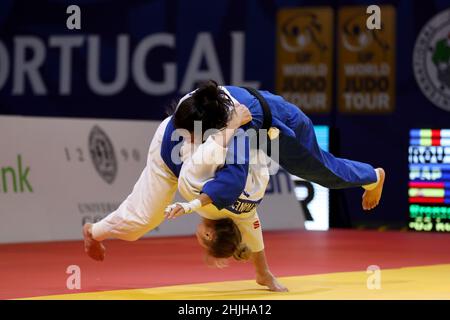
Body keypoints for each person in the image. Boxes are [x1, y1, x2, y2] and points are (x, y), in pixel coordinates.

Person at [164, 118, 287, 292]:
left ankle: (263, 275)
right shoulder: (203, 200)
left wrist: (263, 272)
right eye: (203, 243)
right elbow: (209, 187)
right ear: (209, 235)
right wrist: (188, 206)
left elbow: (255, 238)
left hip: (259, 135)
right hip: (233, 128)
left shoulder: (246, 214)